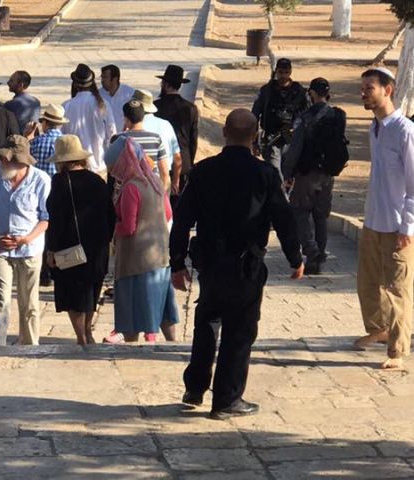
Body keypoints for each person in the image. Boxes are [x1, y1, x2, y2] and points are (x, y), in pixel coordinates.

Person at [170, 108, 303, 419]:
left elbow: (182, 220)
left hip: (210, 262)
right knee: (239, 331)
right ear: (255, 136)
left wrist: (177, 262)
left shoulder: (203, 171)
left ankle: (195, 387)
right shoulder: (265, 175)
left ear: (224, 133)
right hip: (246, 265)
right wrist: (295, 257)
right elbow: (283, 219)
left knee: (207, 321)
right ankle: (227, 399)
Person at [354, 67, 414, 370]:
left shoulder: (405, 130)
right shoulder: (375, 129)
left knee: (397, 289)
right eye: (363, 88)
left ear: (387, 90)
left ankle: (398, 350)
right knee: (368, 283)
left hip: (397, 224)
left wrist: (408, 226)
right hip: (374, 218)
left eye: (370, 88)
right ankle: (378, 329)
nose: (364, 94)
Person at [105, 136, 178, 344]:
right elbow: (168, 213)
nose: (112, 172)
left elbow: (128, 227)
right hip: (159, 257)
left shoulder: (131, 188)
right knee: (163, 309)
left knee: (132, 316)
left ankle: (134, 352)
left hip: (136, 262)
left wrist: (111, 228)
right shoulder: (154, 182)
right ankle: (173, 345)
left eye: (113, 167)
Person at [45, 135, 115, 345]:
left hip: (69, 246)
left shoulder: (59, 182)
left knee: (73, 294)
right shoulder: (97, 180)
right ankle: (87, 331)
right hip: (97, 247)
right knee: (91, 290)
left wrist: (51, 249)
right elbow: (111, 214)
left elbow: (56, 219)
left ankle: (81, 336)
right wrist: (107, 240)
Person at [0, 135, 50, 346]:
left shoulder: (40, 179)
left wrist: (25, 239)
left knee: (29, 303)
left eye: (7, 159)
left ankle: (30, 345)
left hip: (29, 249)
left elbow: (45, 218)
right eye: (2, 158)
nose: (2, 162)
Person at [282, 77, 348, 275]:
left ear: (311, 93)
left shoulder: (306, 117)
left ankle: (312, 252)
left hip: (307, 173)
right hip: (328, 173)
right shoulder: (337, 115)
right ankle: (319, 255)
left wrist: (288, 172)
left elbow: (295, 148)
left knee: (300, 212)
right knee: (320, 216)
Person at [28, 104, 67, 288]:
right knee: (57, 232)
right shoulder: (65, 143)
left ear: (45, 123)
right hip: (59, 191)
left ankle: (43, 272)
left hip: (38, 193)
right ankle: (56, 269)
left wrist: (28, 137)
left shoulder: (36, 142)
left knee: (41, 231)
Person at [251, 58, 309, 177]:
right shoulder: (267, 91)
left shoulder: (299, 92)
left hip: (293, 141)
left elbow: (308, 116)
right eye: (280, 72)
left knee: (290, 176)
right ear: (276, 72)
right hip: (272, 139)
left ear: (290, 72)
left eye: (286, 72)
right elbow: (255, 115)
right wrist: (254, 142)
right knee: (276, 175)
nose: (283, 76)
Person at [62, 64, 117, 179]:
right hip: (98, 167)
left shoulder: (66, 106)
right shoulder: (103, 105)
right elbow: (112, 135)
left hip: (73, 169)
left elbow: (61, 138)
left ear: (75, 84)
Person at [154, 64, 199, 198]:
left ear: (166, 84)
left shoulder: (156, 106)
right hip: (183, 161)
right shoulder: (191, 108)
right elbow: (193, 140)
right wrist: (189, 162)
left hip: (161, 161)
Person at [105, 100, 170, 189]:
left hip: (125, 191)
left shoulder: (117, 139)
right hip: (150, 191)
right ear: (143, 117)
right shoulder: (156, 139)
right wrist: (162, 194)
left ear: (126, 119)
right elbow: (165, 173)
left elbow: (111, 170)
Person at [132, 89, 180, 192]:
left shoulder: (134, 127)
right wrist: (176, 180)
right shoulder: (166, 124)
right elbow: (177, 157)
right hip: (163, 180)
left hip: (139, 182)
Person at [100, 64, 135, 129]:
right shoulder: (98, 95)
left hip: (124, 134)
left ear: (114, 79)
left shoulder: (129, 93)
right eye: (102, 77)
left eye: (105, 77)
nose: (102, 80)